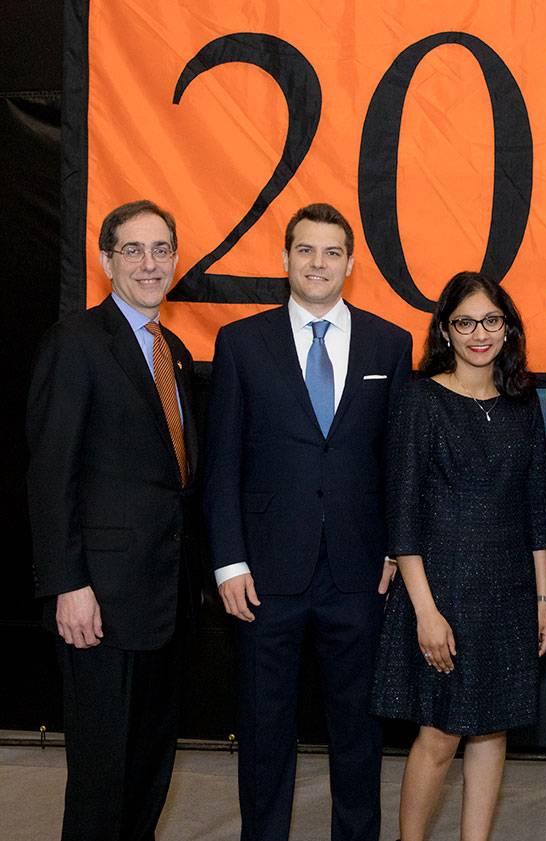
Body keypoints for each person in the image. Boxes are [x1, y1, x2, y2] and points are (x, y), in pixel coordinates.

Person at [202, 203, 412, 841]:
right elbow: (222, 463)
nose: (317, 264)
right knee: (265, 732)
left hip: (359, 572)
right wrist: (229, 560)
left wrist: (396, 550)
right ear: (285, 258)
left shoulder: (389, 342)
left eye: (330, 253)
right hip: (265, 574)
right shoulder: (241, 342)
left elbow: (398, 462)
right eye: (305, 251)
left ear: (351, 263)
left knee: (357, 731)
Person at [27, 200, 198, 841]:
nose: (150, 264)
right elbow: (50, 476)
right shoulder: (75, 343)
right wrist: (67, 585)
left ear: (176, 260)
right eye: (134, 250)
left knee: (148, 771)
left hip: (162, 602)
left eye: (161, 250)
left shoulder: (173, 352)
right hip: (97, 604)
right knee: (100, 779)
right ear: (106, 261)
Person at [372, 271, 546, 841]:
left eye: (492, 321)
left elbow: (537, 511)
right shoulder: (420, 399)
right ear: (446, 332)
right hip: (442, 589)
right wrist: (424, 612)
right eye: (466, 322)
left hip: (508, 591)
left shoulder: (523, 404)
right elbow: (402, 517)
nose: (480, 333)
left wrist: (543, 602)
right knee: (440, 734)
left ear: (508, 328)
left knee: (493, 729)